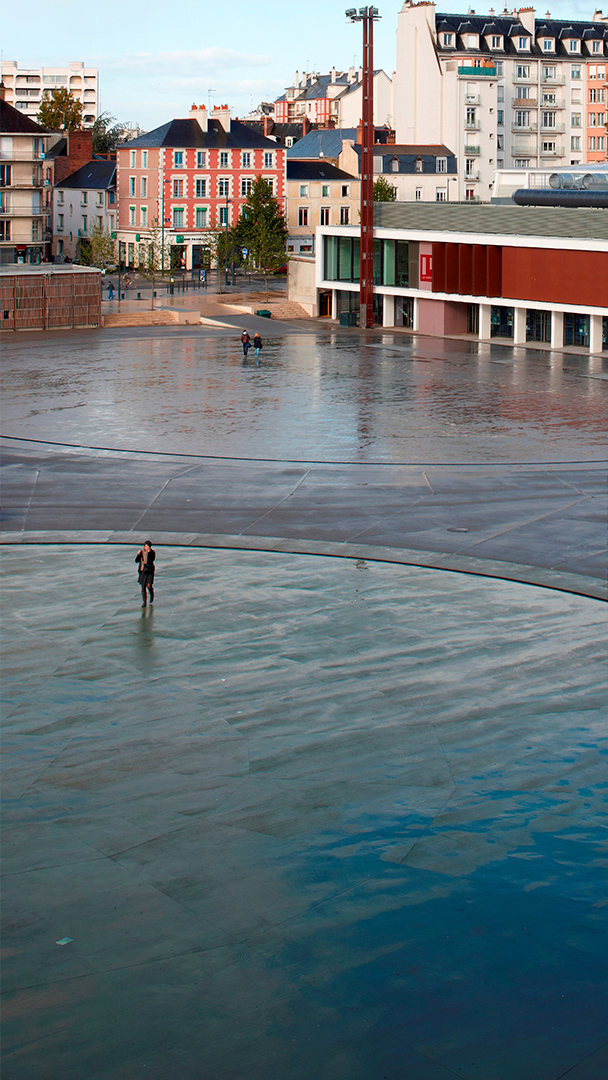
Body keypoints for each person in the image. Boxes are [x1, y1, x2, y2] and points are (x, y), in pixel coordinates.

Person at [135, 541, 156, 607]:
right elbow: (136, 561)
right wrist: (138, 555)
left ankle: (151, 594)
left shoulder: (152, 553)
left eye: (147, 546)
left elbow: (151, 560)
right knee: (143, 586)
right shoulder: (141, 552)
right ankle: (144, 601)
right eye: (145, 546)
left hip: (149, 571)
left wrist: (148, 553)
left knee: (148, 585)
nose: (146, 547)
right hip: (142, 571)